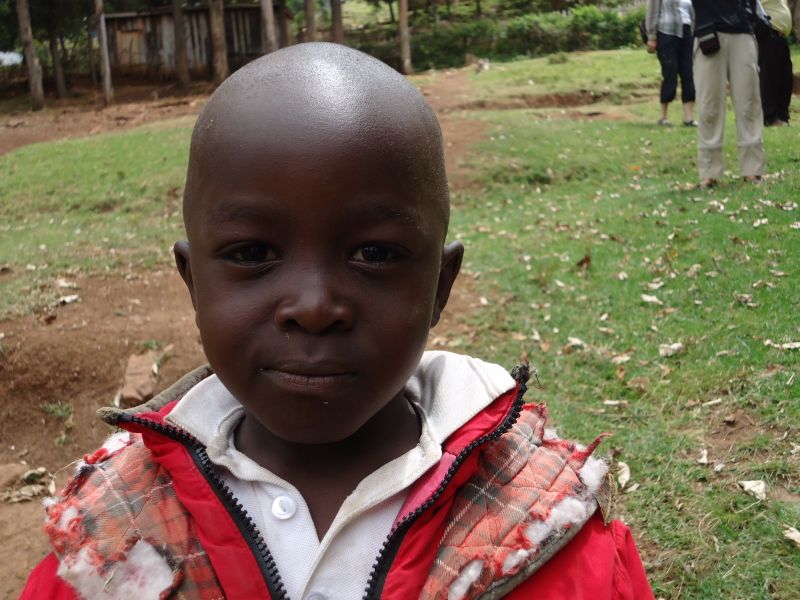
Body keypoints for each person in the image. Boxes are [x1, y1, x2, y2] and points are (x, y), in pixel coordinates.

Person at [20, 43, 654, 600]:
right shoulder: (105, 544)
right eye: (252, 253)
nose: (315, 307)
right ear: (193, 282)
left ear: (440, 285)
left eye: (374, 254)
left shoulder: (547, 531)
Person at [691, 0, 766, 187]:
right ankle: (709, 172)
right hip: (708, 32)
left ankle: (752, 169)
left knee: (749, 101)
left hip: (742, 30)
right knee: (708, 105)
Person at [645, 0, 697, 126]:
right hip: (666, 33)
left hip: (687, 33)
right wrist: (651, 36)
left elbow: (694, 12)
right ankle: (663, 117)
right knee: (670, 73)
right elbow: (652, 13)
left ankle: (688, 118)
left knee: (689, 74)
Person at [757, 0, 794, 126]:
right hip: (768, 33)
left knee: (785, 78)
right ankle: (770, 117)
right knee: (770, 78)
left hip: (780, 37)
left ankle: (782, 116)